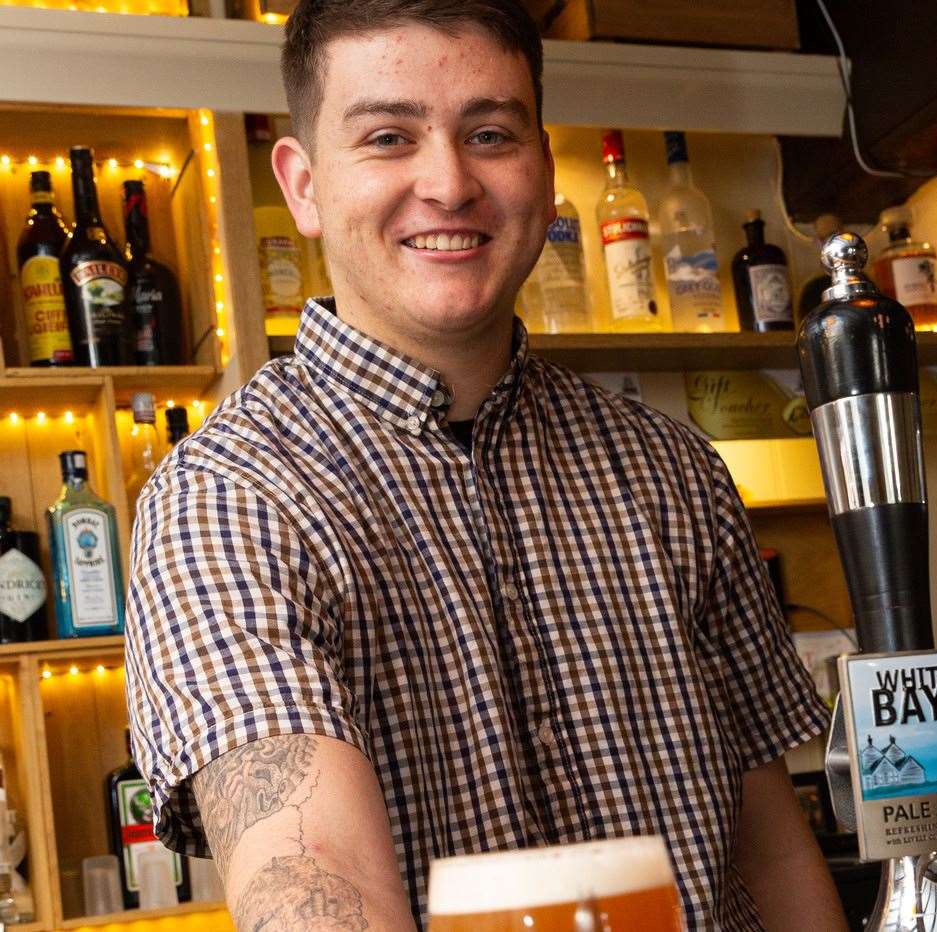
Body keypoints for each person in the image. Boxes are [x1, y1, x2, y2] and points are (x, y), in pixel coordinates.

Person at [123, 2, 846, 930]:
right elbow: (314, 882)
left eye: (490, 134)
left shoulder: (673, 472)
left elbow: (773, 854)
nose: (449, 182)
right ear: (303, 186)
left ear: (544, 173)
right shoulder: (227, 500)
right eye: (389, 137)